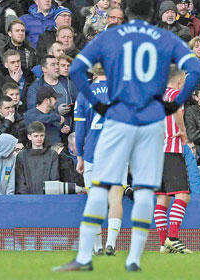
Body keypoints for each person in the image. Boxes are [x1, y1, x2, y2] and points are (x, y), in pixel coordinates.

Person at [54, 0, 200, 272]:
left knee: (100, 187)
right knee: (148, 191)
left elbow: (76, 70)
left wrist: (97, 104)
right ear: (151, 13)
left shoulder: (112, 38)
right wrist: (176, 105)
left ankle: (88, 253)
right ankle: (137, 255)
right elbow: (196, 70)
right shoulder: (164, 38)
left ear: (126, 13)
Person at [73, 63, 124, 256]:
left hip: (92, 154)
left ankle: (97, 247)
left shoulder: (84, 94)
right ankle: (111, 243)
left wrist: (79, 156)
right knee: (115, 198)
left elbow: (79, 131)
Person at [155, 68, 193, 254]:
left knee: (162, 198)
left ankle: (164, 244)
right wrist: (183, 130)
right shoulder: (176, 94)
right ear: (179, 81)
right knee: (183, 195)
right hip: (171, 150)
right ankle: (173, 238)